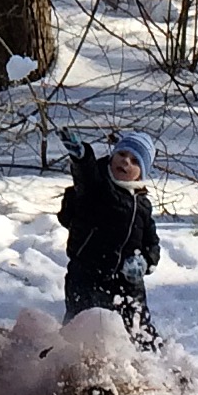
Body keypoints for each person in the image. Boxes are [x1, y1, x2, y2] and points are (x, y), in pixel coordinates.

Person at [56, 128, 161, 349]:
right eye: (122, 154)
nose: (125, 161)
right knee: (84, 326)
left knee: (138, 328)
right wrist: (82, 156)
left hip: (128, 283)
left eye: (135, 160)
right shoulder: (98, 188)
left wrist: (146, 261)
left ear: (141, 173)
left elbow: (152, 243)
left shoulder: (143, 205)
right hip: (87, 276)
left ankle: (153, 357)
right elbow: (86, 174)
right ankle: (67, 357)